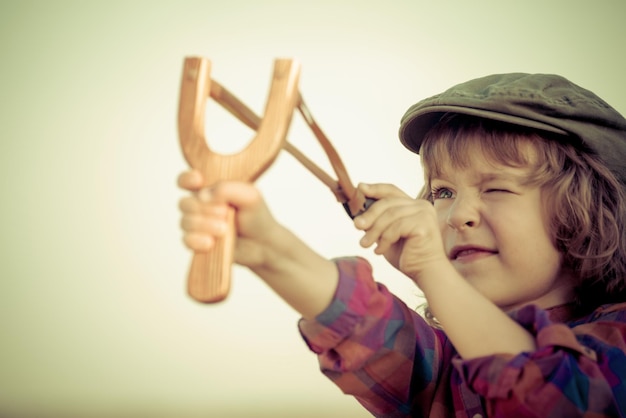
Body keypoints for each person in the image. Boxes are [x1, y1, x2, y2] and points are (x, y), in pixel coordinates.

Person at [178, 73, 626, 417]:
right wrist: (270, 248)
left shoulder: (619, 336)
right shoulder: (449, 359)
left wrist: (432, 268)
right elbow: (369, 330)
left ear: (587, 212)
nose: (455, 216)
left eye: (496, 189)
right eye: (443, 193)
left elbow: (561, 395)